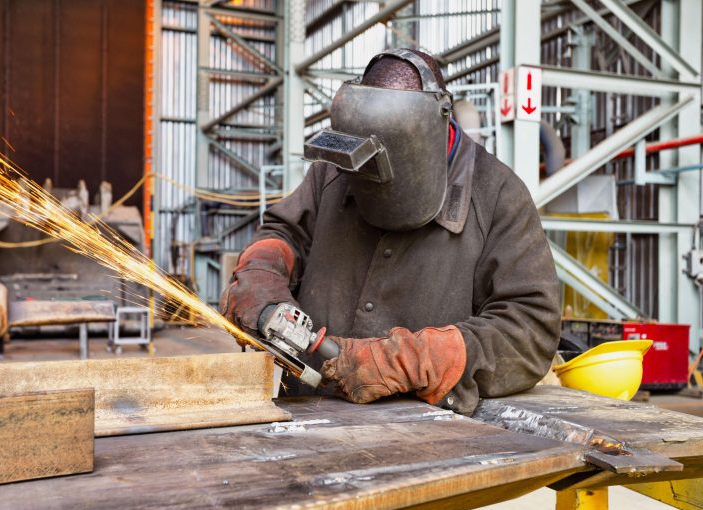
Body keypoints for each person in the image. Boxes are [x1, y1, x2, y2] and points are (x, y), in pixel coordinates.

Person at [220, 48, 560, 415]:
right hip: (307, 412)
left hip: (423, 438)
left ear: (435, 126)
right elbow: (284, 231)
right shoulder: (333, 171)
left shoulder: (497, 195)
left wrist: (407, 362)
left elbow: (530, 328)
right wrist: (260, 271)